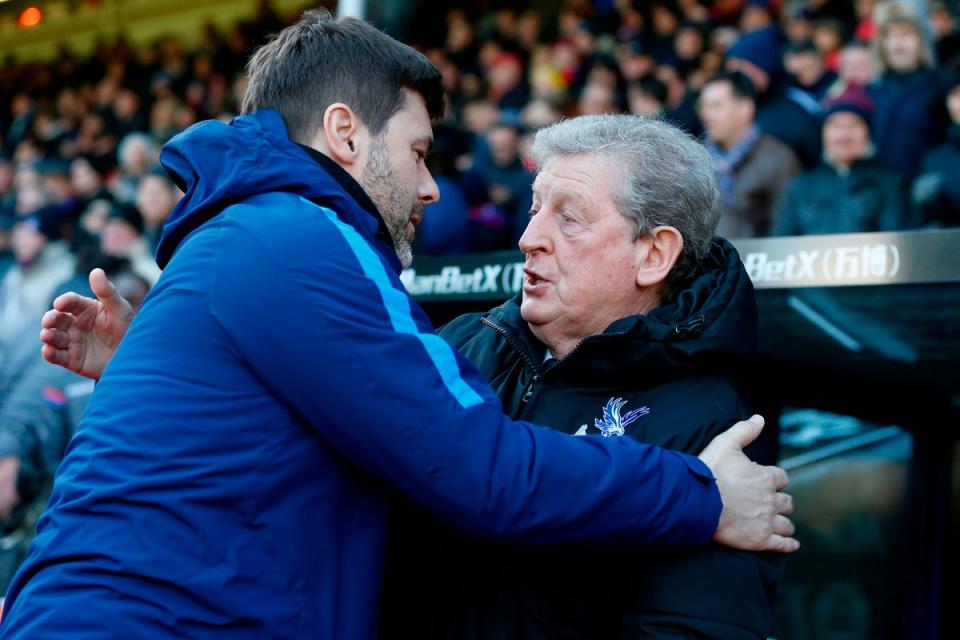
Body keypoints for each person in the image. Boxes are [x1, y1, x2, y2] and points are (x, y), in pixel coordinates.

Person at [11, 11, 795, 639]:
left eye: (569, 216)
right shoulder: (307, 241)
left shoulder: (253, 236)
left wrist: (168, 376)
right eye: (418, 152)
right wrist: (700, 495)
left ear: (655, 254)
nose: (429, 187)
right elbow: (477, 468)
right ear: (347, 133)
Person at [381, 115, 782, 639]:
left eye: (568, 219)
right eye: (533, 209)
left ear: (654, 254)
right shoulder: (458, 345)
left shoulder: (708, 424)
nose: (528, 238)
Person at [775, 89, 908, 236]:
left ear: (868, 134)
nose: (844, 135)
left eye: (853, 126)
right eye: (836, 126)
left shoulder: (890, 183)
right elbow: (781, 242)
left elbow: (895, 243)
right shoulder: (801, 185)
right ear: (823, 133)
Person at [699, 71, 799, 238]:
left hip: (757, 259)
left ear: (746, 109)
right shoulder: (695, 158)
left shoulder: (777, 158)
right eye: (703, 106)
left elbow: (784, 226)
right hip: (705, 260)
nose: (706, 114)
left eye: (716, 106)